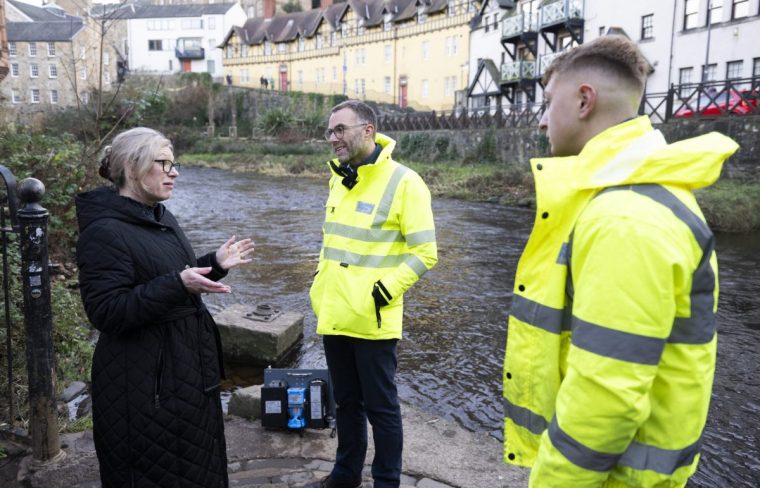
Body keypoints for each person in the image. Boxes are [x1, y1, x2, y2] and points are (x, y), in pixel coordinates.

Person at [501, 36, 739, 487]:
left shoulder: (626, 216)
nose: (542, 120)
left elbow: (606, 397)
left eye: (550, 103)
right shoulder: (636, 196)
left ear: (584, 100)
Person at [75, 127, 254, 488]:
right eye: (163, 163)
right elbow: (107, 311)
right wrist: (178, 284)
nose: (174, 172)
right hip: (144, 385)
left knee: (197, 466)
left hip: (183, 372)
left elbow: (168, 275)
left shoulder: (157, 216)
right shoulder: (104, 232)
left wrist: (214, 263)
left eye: (174, 163)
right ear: (131, 166)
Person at [308, 100, 438, 488]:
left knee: (382, 409)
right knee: (346, 403)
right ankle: (345, 475)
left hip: (374, 318)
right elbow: (333, 244)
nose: (334, 138)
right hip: (334, 313)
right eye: (330, 131)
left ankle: (386, 482)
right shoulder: (338, 178)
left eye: (341, 129)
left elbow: (425, 252)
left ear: (368, 130)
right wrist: (319, 283)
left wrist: (384, 291)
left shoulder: (405, 182)